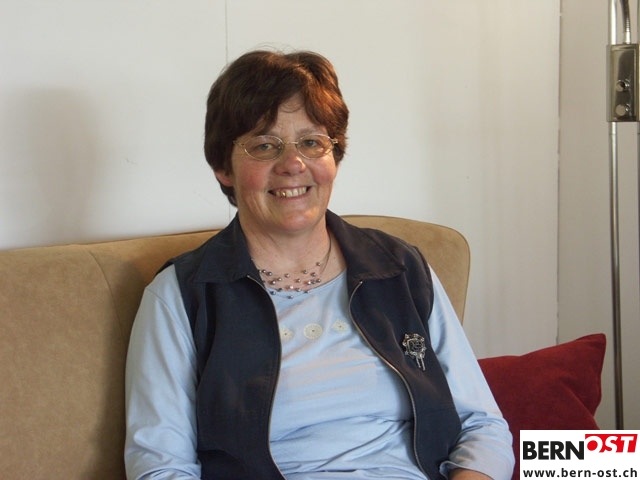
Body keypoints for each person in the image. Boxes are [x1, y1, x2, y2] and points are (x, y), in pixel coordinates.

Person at [124, 49, 515, 480]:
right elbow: (160, 466)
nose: (293, 164)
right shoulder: (182, 295)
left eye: (311, 143)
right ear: (223, 168)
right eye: (265, 145)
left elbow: (482, 424)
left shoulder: (400, 268)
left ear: (334, 155)